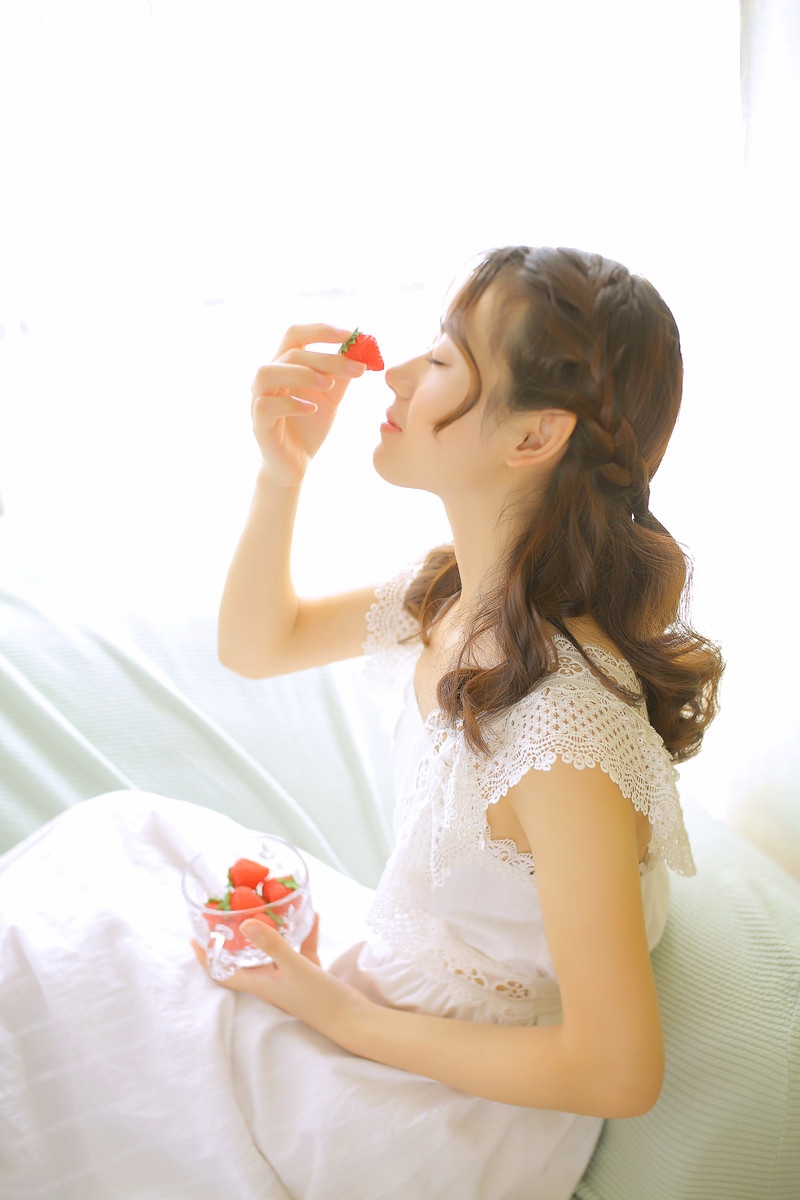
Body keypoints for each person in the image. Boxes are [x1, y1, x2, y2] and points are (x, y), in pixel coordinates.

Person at [0, 246, 722, 1200]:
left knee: (64, 994)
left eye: (445, 359)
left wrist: (337, 1015)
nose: (398, 374)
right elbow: (258, 643)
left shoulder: (564, 742)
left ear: (535, 435)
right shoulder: (459, 600)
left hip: (447, 1110)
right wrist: (281, 471)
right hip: (391, 987)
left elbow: (616, 1072)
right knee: (110, 857)